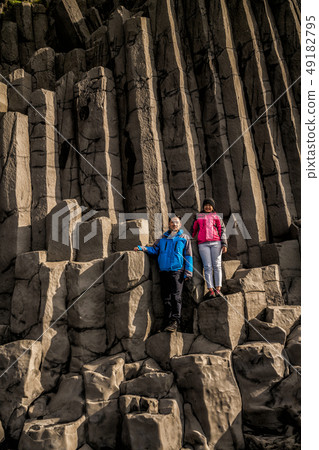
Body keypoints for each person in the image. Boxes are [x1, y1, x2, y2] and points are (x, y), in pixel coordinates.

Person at [134, 216, 193, 332]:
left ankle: (175, 322)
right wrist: (142, 248)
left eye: (176, 222)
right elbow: (154, 250)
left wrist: (188, 272)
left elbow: (189, 256)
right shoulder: (162, 238)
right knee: (166, 298)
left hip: (177, 271)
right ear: (169, 224)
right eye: (172, 222)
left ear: (180, 225)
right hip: (164, 271)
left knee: (176, 297)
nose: (174, 224)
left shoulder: (184, 238)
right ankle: (167, 323)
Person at [191, 198, 227, 299]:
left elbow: (222, 230)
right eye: (206, 205)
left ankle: (218, 289)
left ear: (213, 207)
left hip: (216, 243)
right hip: (203, 244)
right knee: (207, 267)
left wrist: (224, 244)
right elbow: (193, 229)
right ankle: (211, 290)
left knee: (217, 266)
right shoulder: (198, 216)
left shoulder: (217, 216)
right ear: (203, 206)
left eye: (209, 205)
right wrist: (188, 238)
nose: (208, 207)